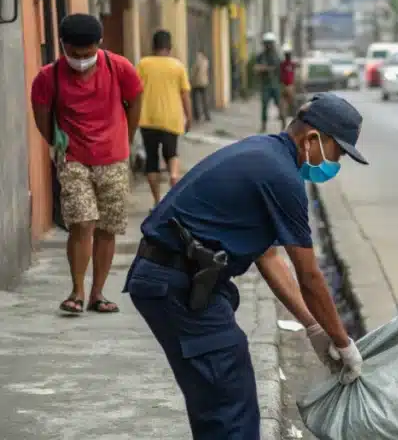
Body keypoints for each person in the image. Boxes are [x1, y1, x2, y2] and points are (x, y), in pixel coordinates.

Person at [124, 93, 368, 439]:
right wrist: (343, 342)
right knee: (230, 407)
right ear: (314, 139)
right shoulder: (283, 178)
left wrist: (314, 327)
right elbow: (309, 275)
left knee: (218, 402)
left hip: (173, 278)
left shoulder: (264, 153)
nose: (336, 162)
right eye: (338, 152)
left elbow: (268, 256)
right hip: (177, 283)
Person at [30, 13, 144, 314]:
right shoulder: (48, 77)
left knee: (107, 228)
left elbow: (135, 104)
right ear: (63, 46)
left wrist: (124, 140)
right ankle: (77, 291)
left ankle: (98, 293)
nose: (81, 60)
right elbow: (42, 117)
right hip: (73, 158)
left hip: (114, 159)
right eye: (74, 54)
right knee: (82, 223)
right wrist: (59, 146)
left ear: (99, 44)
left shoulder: (120, 68)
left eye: (88, 53)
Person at [137, 30, 192, 208]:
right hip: (171, 119)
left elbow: (135, 91)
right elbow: (185, 95)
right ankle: (174, 175)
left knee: (152, 159)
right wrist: (189, 116)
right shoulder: (178, 66)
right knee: (172, 153)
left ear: (153, 46)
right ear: (170, 46)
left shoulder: (143, 64)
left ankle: (157, 200)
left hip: (148, 118)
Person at [253, 32, 284, 132]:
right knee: (264, 106)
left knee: (279, 105)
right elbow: (256, 68)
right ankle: (263, 125)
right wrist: (266, 69)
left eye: (270, 43)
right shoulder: (261, 56)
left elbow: (280, 70)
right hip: (265, 85)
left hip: (275, 85)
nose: (269, 45)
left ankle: (284, 125)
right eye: (267, 43)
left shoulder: (277, 56)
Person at [190, 50, 211, 123]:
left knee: (195, 99)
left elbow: (194, 72)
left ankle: (197, 116)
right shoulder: (206, 61)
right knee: (204, 99)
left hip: (197, 83)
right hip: (204, 83)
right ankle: (207, 116)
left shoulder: (198, 61)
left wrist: (191, 80)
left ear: (200, 54)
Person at [280, 45, 299, 121]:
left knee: (292, 104)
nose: (288, 56)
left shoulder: (292, 64)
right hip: (286, 86)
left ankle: (293, 118)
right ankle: (284, 119)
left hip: (289, 85)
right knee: (285, 104)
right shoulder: (283, 64)